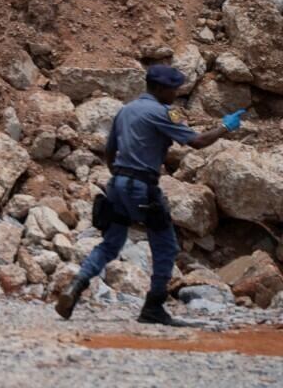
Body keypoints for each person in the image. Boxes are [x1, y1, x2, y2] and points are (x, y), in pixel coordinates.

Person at [56, 65, 245, 325]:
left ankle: (76, 285)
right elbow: (197, 141)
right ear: (159, 89)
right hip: (142, 186)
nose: (176, 94)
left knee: (110, 244)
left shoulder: (125, 110)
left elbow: (110, 151)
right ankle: (153, 307)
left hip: (117, 184)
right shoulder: (162, 113)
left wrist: (120, 178)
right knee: (166, 245)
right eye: (173, 89)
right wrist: (226, 126)